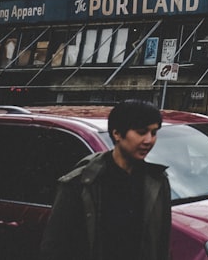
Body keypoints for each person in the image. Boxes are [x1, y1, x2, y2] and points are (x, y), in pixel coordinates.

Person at [40, 99, 171, 260]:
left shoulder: (157, 181)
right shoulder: (81, 182)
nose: (149, 140)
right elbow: (54, 247)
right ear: (117, 134)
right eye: (141, 132)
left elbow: (161, 245)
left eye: (154, 132)